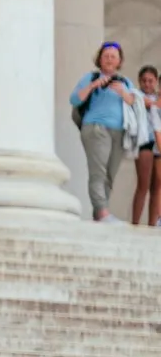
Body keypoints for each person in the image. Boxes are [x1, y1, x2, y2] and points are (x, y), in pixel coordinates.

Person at [70, 42, 138, 222]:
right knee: (98, 172)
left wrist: (123, 93)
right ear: (99, 59)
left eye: (113, 56)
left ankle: (100, 214)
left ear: (119, 61)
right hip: (96, 128)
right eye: (106, 56)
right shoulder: (90, 77)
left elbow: (134, 102)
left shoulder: (125, 82)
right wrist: (93, 85)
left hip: (119, 132)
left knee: (109, 175)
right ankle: (102, 212)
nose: (109, 59)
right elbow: (75, 99)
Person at [133, 66, 161, 226]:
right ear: (139, 81)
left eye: (151, 81)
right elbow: (143, 102)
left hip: (158, 143)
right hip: (144, 142)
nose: (147, 84)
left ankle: (152, 224)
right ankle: (135, 223)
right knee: (143, 184)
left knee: (156, 187)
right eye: (144, 80)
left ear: (156, 81)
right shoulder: (136, 95)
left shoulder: (158, 97)